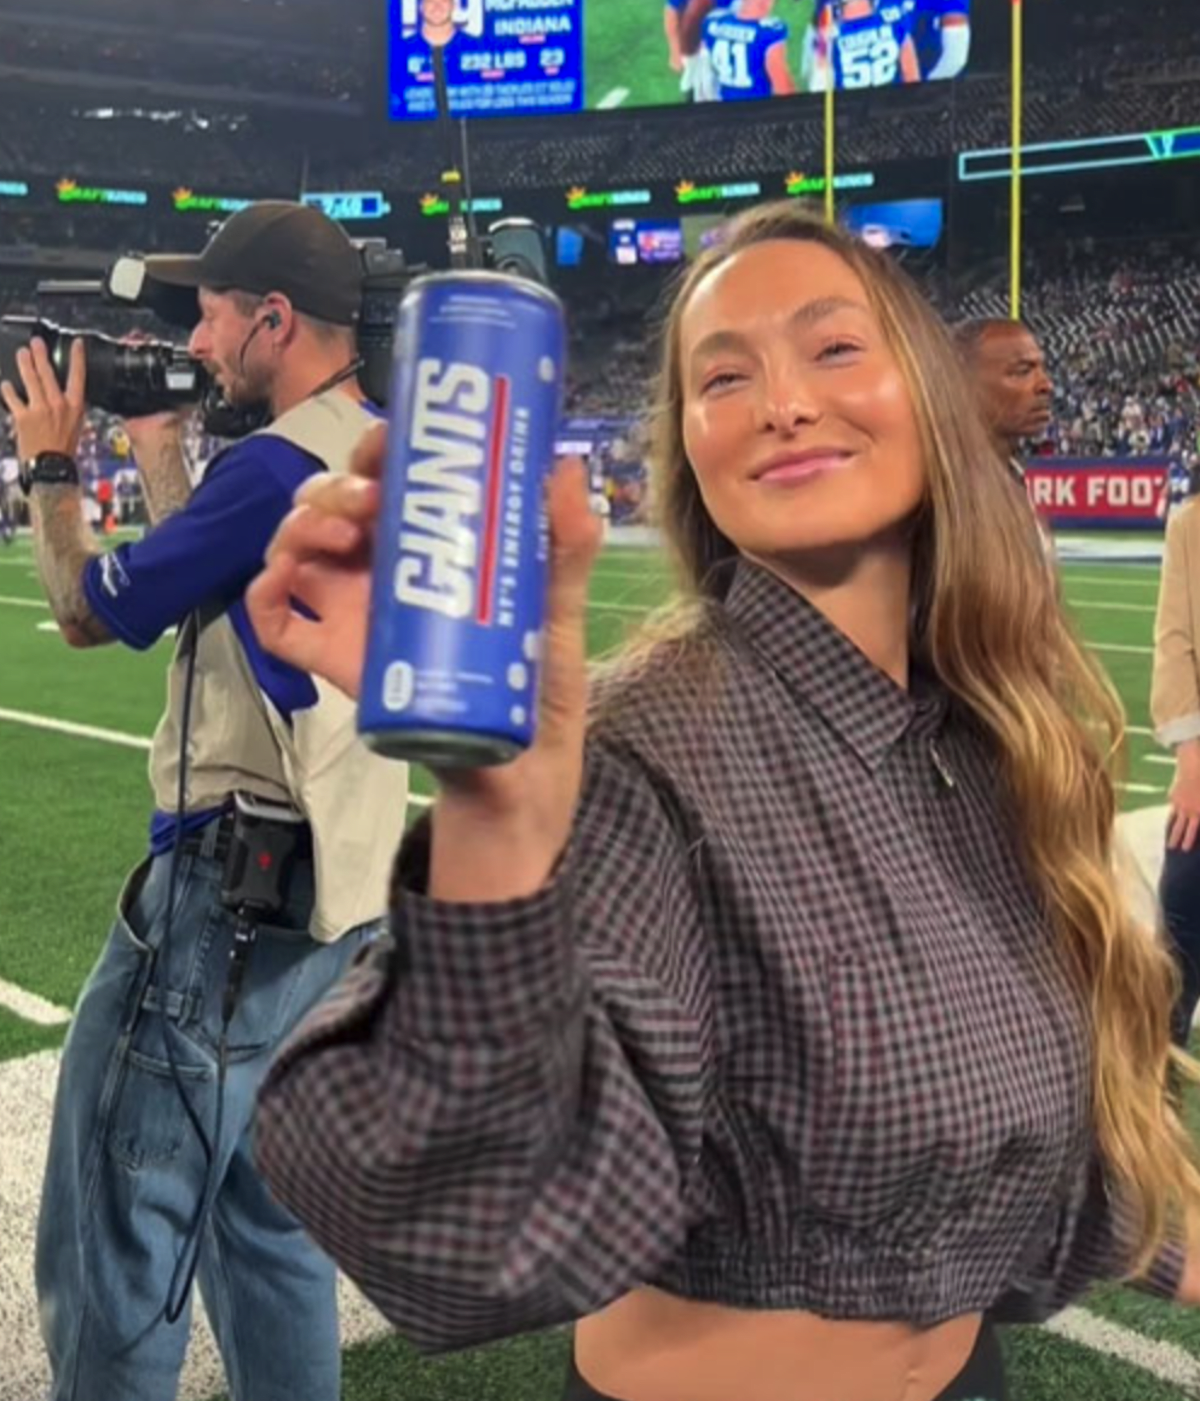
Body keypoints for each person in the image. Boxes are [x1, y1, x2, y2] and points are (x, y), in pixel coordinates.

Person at [248, 205, 1200, 1401]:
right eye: (724, 377)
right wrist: (500, 823)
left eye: (834, 348)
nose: (782, 403)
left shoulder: (990, 735)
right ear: (690, 446)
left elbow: (1036, 1129)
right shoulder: (642, 753)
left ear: (928, 399)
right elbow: (468, 1224)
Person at [0, 201, 410, 1401]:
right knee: (270, 1238)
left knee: (119, 1240)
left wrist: (54, 465)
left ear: (273, 318)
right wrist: (159, 443)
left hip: (228, 906)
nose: (195, 340)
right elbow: (221, 583)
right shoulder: (370, 448)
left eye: (213, 315)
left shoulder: (274, 468)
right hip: (336, 906)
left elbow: (87, 611)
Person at [1152, 491, 1200, 1044]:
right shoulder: (1189, 526)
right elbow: (1174, 643)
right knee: (1178, 945)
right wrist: (1189, 761)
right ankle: (1160, 1068)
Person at [953, 317, 1054, 475]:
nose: (1046, 385)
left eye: (1043, 369)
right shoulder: (932, 480)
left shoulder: (1009, 474)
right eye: (1023, 371)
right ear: (964, 383)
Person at [700, 0, 795, 102]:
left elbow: (704, 60)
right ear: (765, 3)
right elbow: (781, 82)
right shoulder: (768, 31)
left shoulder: (713, 22)